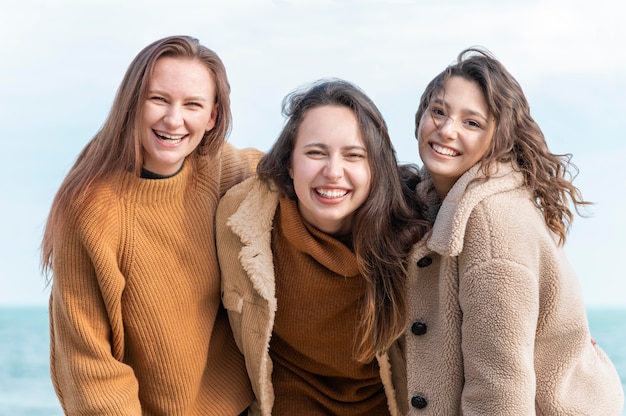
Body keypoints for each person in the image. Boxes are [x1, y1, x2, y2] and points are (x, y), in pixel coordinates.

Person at [41, 35, 262, 415]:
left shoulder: (219, 168)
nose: (174, 119)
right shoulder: (91, 210)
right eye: (159, 99)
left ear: (211, 117)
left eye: (192, 104)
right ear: (132, 103)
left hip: (241, 405)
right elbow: (91, 369)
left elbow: (298, 175)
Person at [405, 47, 624, 414]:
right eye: (438, 111)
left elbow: (500, 390)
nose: (446, 129)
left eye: (471, 122)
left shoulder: (493, 224)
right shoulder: (439, 199)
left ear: (498, 139)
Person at [216, 78, 430, 416]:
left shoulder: (415, 238)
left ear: (376, 168)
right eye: (316, 153)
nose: (333, 172)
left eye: (353, 156)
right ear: (289, 162)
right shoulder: (243, 219)